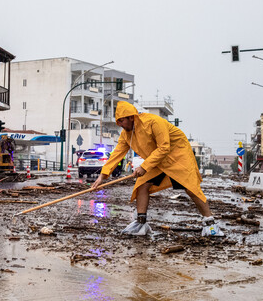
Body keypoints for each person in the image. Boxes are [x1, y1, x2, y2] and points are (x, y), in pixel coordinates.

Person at [91, 101, 223, 237]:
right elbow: (116, 154)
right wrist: (102, 176)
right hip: (157, 160)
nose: (120, 124)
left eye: (122, 120)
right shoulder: (126, 134)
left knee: (191, 188)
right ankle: (141, 223)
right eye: (118, 121)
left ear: (132, 117)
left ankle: (211, 224)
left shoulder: (153, 122)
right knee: (142, 185)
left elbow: (164, 147)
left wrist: (144, 166)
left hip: (178, 156)